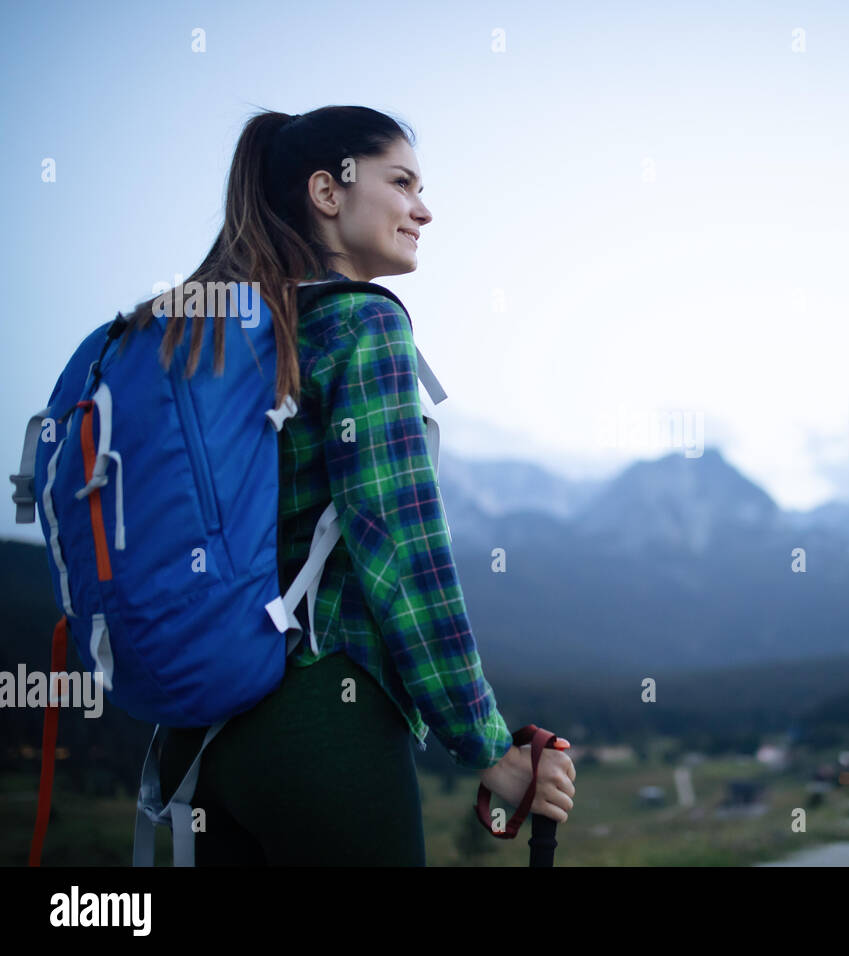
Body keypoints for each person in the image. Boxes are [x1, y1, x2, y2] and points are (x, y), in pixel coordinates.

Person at [115, 105, 574, 864]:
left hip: (199, 740)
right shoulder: (365, 324)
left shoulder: (221, 330)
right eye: (403, 182)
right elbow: (402, 550)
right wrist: (488, 745)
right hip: (324, 717)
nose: (424, 209)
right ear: (329, 192)